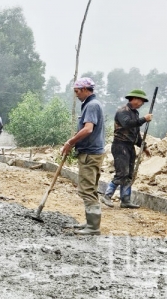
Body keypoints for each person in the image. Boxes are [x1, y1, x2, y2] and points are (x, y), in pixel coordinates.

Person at [61, 77, 106, 236]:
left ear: (86, 89)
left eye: (77, 91)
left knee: (87, 190)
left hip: (90, 153)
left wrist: (70, 142)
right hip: (93, 152)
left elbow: (88, 129)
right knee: (90, 189)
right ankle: (89, 222)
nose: (76, 95)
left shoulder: (92, 105)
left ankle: (93, 227)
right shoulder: (92, 104)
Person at [101, 89, 153, 209]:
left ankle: (125, 200)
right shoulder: (122, 111)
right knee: (122, 173)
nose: (141, 104)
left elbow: (136, 134)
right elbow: (127, 124)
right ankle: (107, 196)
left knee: (129, 174)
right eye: (140, 101)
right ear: (134, 99)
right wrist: (144, 119)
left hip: (129, 146)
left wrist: (143, 147)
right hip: (120, 145)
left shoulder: (135, 114)